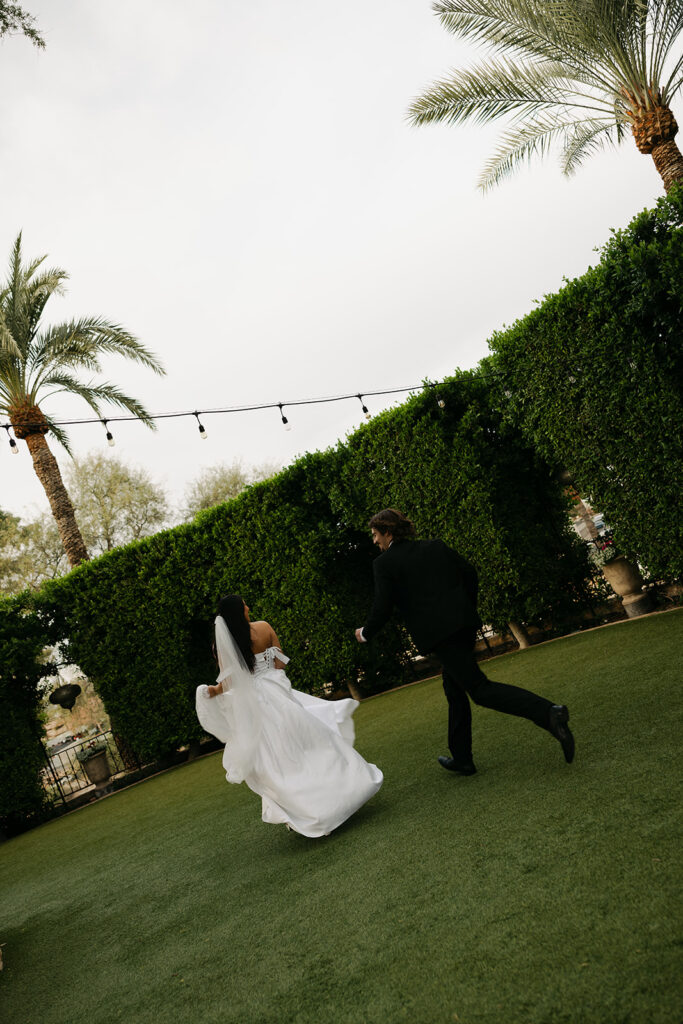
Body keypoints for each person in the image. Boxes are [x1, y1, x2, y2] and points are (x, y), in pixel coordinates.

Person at [355, 509, 574, 775]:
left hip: (441, 636)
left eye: (376, 535)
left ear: (387, 532)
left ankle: (549, 713)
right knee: (454, 688)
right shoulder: (435, 547)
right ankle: (462, 758)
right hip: (464, 625)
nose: (375, 541)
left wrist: (365, 632)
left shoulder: (384, 564)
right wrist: (464, 609)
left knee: (480, 691)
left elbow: (383, 606)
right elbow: (470, 573)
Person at [196, 594, 383, 837]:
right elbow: (281, 663)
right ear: (239, 611)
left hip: (255, 709)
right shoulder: (264, 627)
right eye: (244, 605)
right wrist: (270, 678)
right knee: (311, 745)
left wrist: (214, 691)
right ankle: (347, 789)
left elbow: (231, 681)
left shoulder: (222, 645)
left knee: (277, 761)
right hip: (279, 695)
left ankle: (305, 811)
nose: (248, 607)